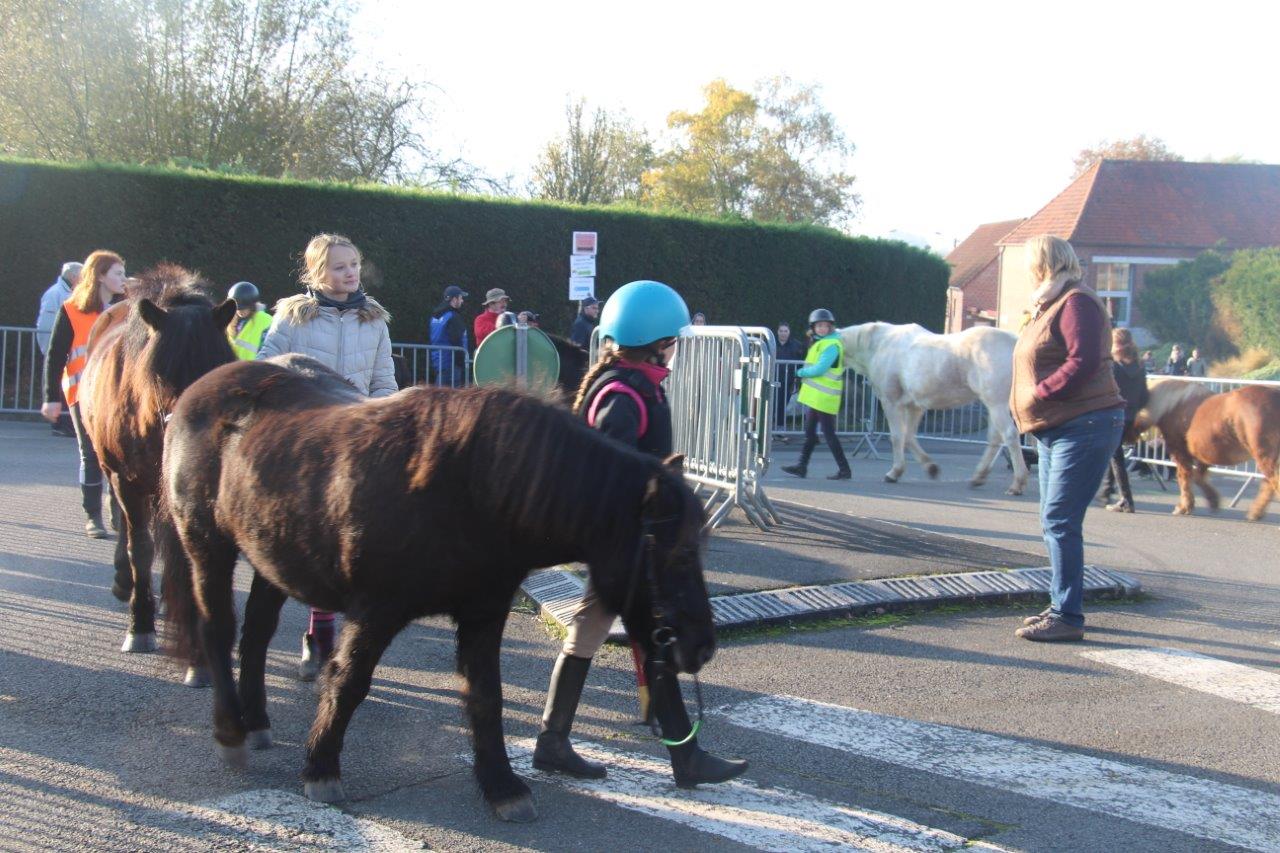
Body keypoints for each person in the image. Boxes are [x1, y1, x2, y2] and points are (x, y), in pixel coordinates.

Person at [533, 279, 747, 788]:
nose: (674, 347)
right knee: (651, 634)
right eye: (671, 339)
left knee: (593, 631)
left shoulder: (632, 383)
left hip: (626, 538)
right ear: (654, 342)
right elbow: (613, 477)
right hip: (627, 540)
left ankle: (553, 741)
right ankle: (683, 756)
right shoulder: (624, 397)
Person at [258, 233, 396, 679]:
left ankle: (338, 634)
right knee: (314, 539)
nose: (350, 273)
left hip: (355, 440)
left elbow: (383, 381)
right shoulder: (293, 316)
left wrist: (384, 424)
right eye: (339, 266)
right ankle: (318, 634)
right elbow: (266, 367)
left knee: (353, 541)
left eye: (354, 264)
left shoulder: (374, 320)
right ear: (317, 272)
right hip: (307, 440)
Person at [1010, 236, 1124, 642]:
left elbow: (1084, 360)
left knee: (1060, 520)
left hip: (1085, 423)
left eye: (1029, 264)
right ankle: (1061, 604)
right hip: (1057, 427)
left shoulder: (1077, 302)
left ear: (1043, 264)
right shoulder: (1051, 303)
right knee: (1054, 521)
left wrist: (1040, 393)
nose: (1027, 271)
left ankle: (1068, 616)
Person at [40, 251, 127, 538]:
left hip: (117, 394)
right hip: (82, 394)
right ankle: (93, 517)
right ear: (100, 275)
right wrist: (51, 397)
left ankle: (119, 510)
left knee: (119, 455)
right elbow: (55, 356)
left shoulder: (127, 309)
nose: (123, 278)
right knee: (90, 453)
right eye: (117, 273)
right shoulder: (72, 309)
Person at [781, 309, 852, 480]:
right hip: (817, 397)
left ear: (830, 327)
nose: (821, 328)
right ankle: (802, 466)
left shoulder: (831, 345)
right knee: (811, 433)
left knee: (828, 435)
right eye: (818, 326)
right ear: (813, 327)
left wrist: (800, 373)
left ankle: (844, 470)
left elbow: (820, 368)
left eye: (825, 326)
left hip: (824, 398)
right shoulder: (821, 342)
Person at [1100, 328, 1149, 513]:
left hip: (1114, 413)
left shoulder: (1113, 367)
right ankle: (1107, 491)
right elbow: (1145, 396)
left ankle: (1126, 499)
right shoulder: (1140, 366)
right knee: (1115, 455)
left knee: (1115, 457)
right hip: (1132, 416)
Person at [36, 261, 82, 437]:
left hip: (67, 349)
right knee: (61, 384)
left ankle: (66, 423)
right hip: (60, 349)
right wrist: (50, 349)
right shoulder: (56, 294)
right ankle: (60, 424)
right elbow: (47, 325)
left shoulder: (64, 293)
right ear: (72, 276)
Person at [429, 285, 469, 387]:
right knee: (452, 398)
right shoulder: (453, 317)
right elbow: (457, 341)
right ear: (454, 299)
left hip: (438, 362)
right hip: (452, 364)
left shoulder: (435, 317)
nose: (462, 301)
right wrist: (462, 362)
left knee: (439, 395)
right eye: (460, 298)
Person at [226, 281, 272, 360]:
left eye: (244, 309)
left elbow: (269, 350)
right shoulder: (229, 320)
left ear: (252, 306)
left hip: (254, 368)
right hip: (233, 367)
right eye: (237, 309)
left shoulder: (266, 321)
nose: (240, 311)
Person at [774, 322, 805, 428]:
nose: (783, 333)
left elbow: (800, 363)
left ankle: (780, 428)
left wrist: (798, 379)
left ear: (789, 332)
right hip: (773, 380)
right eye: (781, 331)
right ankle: (769, 429)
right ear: (777, 332)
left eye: (785, 331)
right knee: (772, 404)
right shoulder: (771, 343)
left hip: (789, 380)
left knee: (783, 404)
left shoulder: (796, 345)